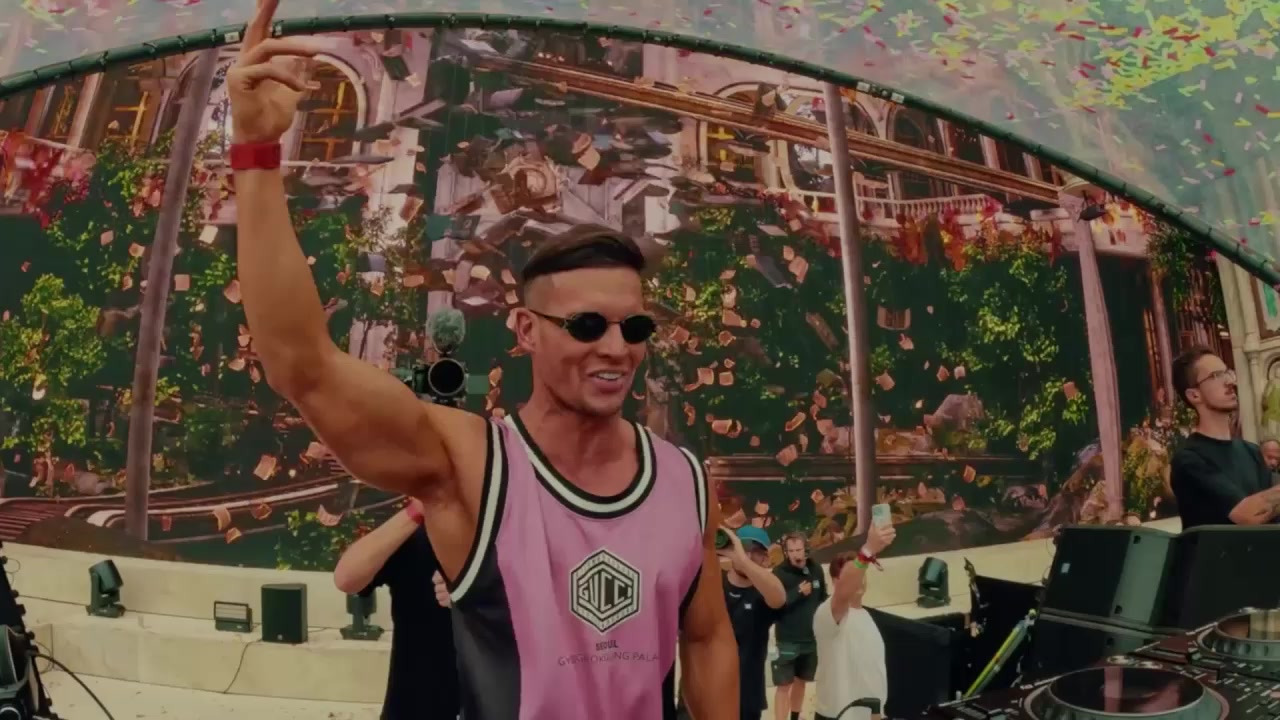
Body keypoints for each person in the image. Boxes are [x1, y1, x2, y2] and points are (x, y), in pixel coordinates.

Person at [227, 4, 737, 718]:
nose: (616, 348)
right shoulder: (468, 464)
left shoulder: (682, 479)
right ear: (526, 330)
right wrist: (254, 153)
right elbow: (301, 364)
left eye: (635, 326)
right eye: (586, 326)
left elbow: (707, 638)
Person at [333, 499, 459, 720]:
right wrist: (416, 510)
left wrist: (473, 588)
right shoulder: (414, 533)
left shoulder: (509, 530)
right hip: (415, 705)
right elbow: (346, 578)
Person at [1169, 347, 1280, 529]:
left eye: (1227, 372)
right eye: (1216, 376)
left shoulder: (1251, 452)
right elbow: (1247, 514)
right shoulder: (1189, 460)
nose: (1230, 381)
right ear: (1194, 395)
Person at [812, 524, 897, 720]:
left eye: (862, 573)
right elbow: (844, 592)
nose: (860, 579)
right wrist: (867, 550)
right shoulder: (828, 614)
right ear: (836, 581)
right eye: (853, 575)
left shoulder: (866, 617)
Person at [772, 533, 827, 720]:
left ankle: (795, 717)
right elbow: (774, 604)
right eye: (791, 550)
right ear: (786, 552)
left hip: (811, 639)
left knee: (801, 681)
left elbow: (823, 599)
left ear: (806, 549)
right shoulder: (779, 574)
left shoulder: (816, 569)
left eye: (799, 549)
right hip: (788, 640)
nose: (796, 554)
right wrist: (797, 592)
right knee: (783, 686)